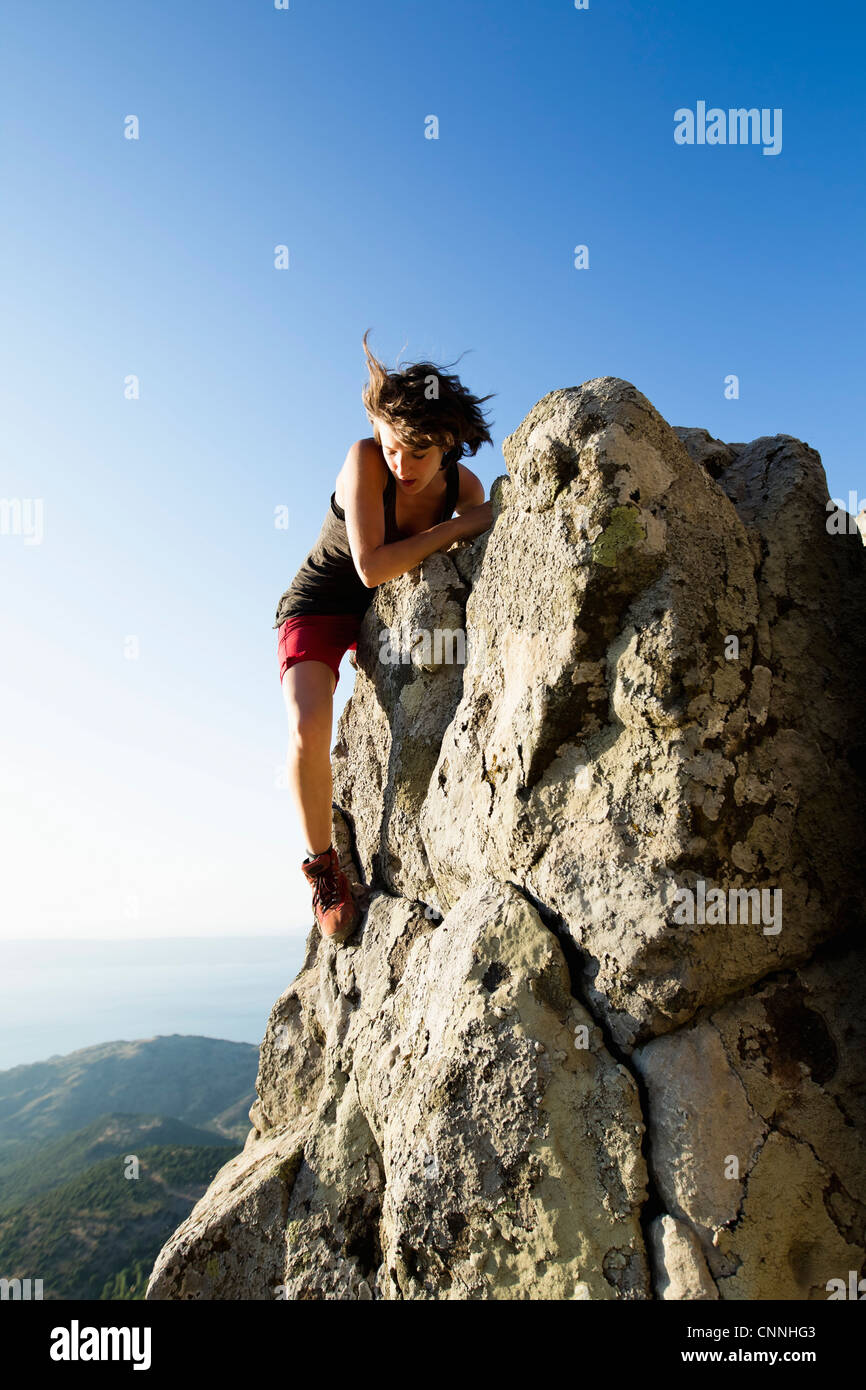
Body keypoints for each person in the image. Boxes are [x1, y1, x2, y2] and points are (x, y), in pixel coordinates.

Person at [274, 332, 496, 947]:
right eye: (394, 447)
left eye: (418, 454)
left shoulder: (465, 491)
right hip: (320, 606)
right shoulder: (365, 459)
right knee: (306, 727)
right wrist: (462, 529)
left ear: (449, 446)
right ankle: (325, 869)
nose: (402, 464)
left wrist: (467, 521)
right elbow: (369, 566)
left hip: (387, 616)